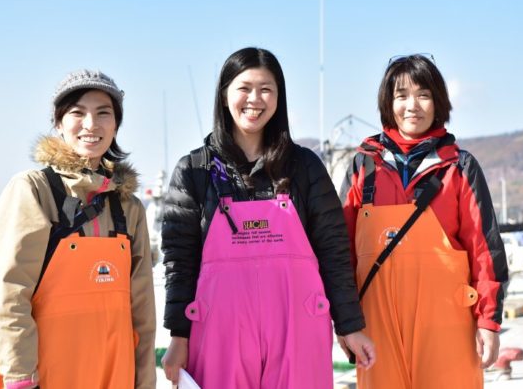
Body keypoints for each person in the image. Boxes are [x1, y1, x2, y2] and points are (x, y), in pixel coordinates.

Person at [160, 47, 375, 388]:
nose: (255, 99)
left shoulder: (304, 166)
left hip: (298, 325)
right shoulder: (194, 170)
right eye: (244, 88)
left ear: (279, 98)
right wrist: (178, 335)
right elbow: (179, 260)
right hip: (220, 329)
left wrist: (349, 324)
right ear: (225, 93)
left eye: (266, 89)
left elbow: (333, 249)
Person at [0, 70, 157, 389]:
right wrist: (20, 378)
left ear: (116, 124)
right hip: (48, 376)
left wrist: (144, 381)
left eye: (104, 112)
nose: (91, 124)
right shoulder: (34, 190)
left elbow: (141, 312)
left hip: (116, 375)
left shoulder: (129, 207)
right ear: (59, 123)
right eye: (77, 112)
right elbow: (10, 292)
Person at [341, 54, 508, 389]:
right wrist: (345, 322)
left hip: (448, 324)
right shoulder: (364, 167)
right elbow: (340, 252)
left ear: (437, 102)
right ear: (388, 103)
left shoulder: (460, 167)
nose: (411, 105)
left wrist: (488, 321)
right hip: (377, 325)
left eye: (423, 95)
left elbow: (484, 250)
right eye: (401, 96)